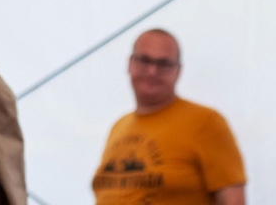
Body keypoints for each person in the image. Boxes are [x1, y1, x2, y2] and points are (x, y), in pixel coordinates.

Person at [93, 29, 247, 205]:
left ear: (178, 70)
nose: (152, 71)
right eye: (144, 60)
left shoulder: (206, 122)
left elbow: (233, 200)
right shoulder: (119, 126)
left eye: (163, 63)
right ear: (130, 63)